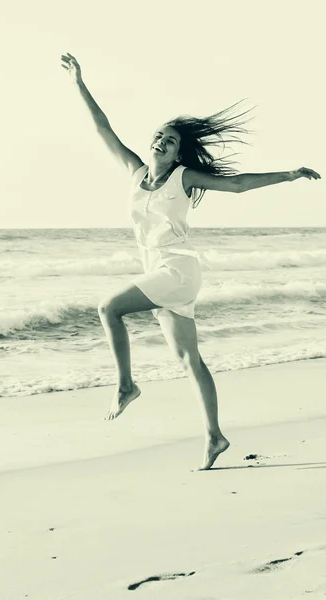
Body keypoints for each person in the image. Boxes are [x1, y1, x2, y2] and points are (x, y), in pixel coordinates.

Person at [60, 52, 321, 470]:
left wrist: (287, 175)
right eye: (158, 136)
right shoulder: (134, 172)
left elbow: (236, 185)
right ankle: (215, 437)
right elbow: (102, 128)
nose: (161, 142)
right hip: (160, 274)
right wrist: (78, 83)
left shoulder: (183, 177)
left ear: (179, 152)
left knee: (108, 307)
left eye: (170, 140)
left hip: (177, 270)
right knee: (189, 360)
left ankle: (126, 386)